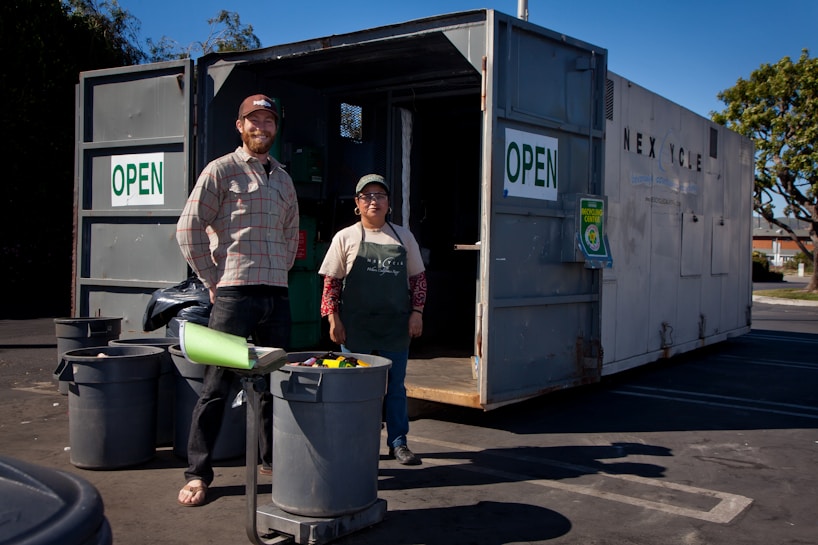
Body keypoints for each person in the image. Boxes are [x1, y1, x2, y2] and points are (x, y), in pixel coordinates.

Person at [175, 94, 299, 506]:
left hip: (276, 296)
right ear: (239, 125)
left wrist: (278, 274)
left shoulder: (283, 178)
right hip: (232, 294)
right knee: (215, 386)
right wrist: (213, 280)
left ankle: (272, 463)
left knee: (274, 385)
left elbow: (290, 235)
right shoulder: (221, 170)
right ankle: (198, 474)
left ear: (275, 128)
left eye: (268, 120)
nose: (261, 127)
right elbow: (188, 229)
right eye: (254, 120)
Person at [318, 173, 426, 465]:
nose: (373, 201)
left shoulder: (404, 237)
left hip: (395, 327)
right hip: (357, 329)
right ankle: (356, 443)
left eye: (380, 195)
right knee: (356, 390)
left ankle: (398, 443)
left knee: (395, 389)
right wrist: (333, 320)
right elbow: (331, 284)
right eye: (367, 196)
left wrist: (417, 313)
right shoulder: (346, 237)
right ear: (357, 203)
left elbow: (418, 280)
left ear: (388, 203)